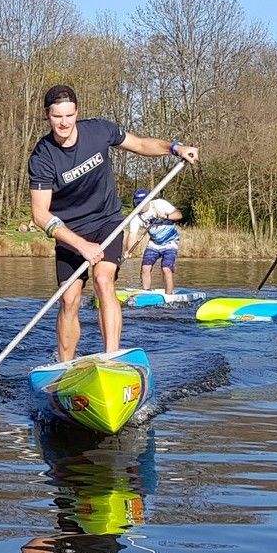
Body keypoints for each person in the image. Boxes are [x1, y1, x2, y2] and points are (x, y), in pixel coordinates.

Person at [28, 85, 198, 361]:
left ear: (77, 112)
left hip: (107, 221)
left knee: (103, 280)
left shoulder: (99, 131)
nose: (64, 123)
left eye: (69, 115)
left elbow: (141, 144)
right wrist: (81, 245)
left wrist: (174, 148)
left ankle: (111, 357)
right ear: (47, 116)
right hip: (70, 231)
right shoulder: (42, 156)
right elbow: (40, 214)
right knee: (70, 299)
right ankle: (64, 366)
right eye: (57, 117)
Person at [125, 188, 183, 294]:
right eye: (137, 203)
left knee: (166, 268)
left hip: (171, 242)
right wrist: (129, 250)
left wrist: (166, 216)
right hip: (154, 243)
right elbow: (132, 235)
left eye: (142, 203)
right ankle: (146, 292)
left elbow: (179, 215)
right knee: (145, 268)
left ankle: (169, 295)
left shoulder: (159, 204)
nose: (140, 206)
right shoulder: (136, 217)